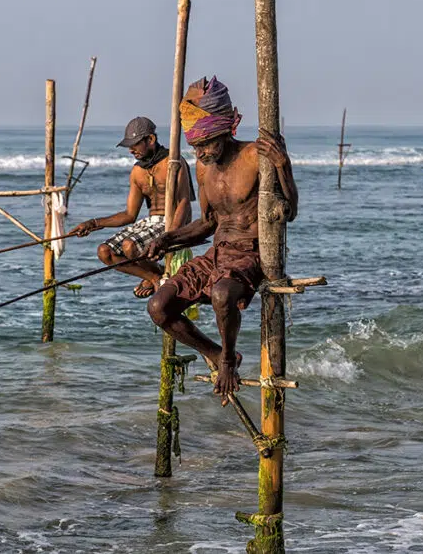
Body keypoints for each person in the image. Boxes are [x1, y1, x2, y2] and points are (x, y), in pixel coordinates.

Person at [146, 76, 297, 399]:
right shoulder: (203, 169)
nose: (200, 153)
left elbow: (290, 210)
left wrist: (283, 165)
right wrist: (167, 239)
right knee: (159, 306)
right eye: (196, 147)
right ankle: (215, 352)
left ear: (227, 129)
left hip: (251, 254)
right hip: (217, 253)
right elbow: (207, 224)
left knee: (221, 294)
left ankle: (228, 358)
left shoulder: (255, 156)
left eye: (206, 144)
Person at [71, 117, 193, 298]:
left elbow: (184, 202)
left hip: (173, 221)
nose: (131, 150)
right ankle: (154, 276)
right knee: (104, 252)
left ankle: (153, 277)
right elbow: (129, 215)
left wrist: (171, 234)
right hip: (150, 222)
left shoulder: (173, 162)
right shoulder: (137, 172)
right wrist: (93, 223)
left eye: (135, 144)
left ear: (150, 140)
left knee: (129, 246)